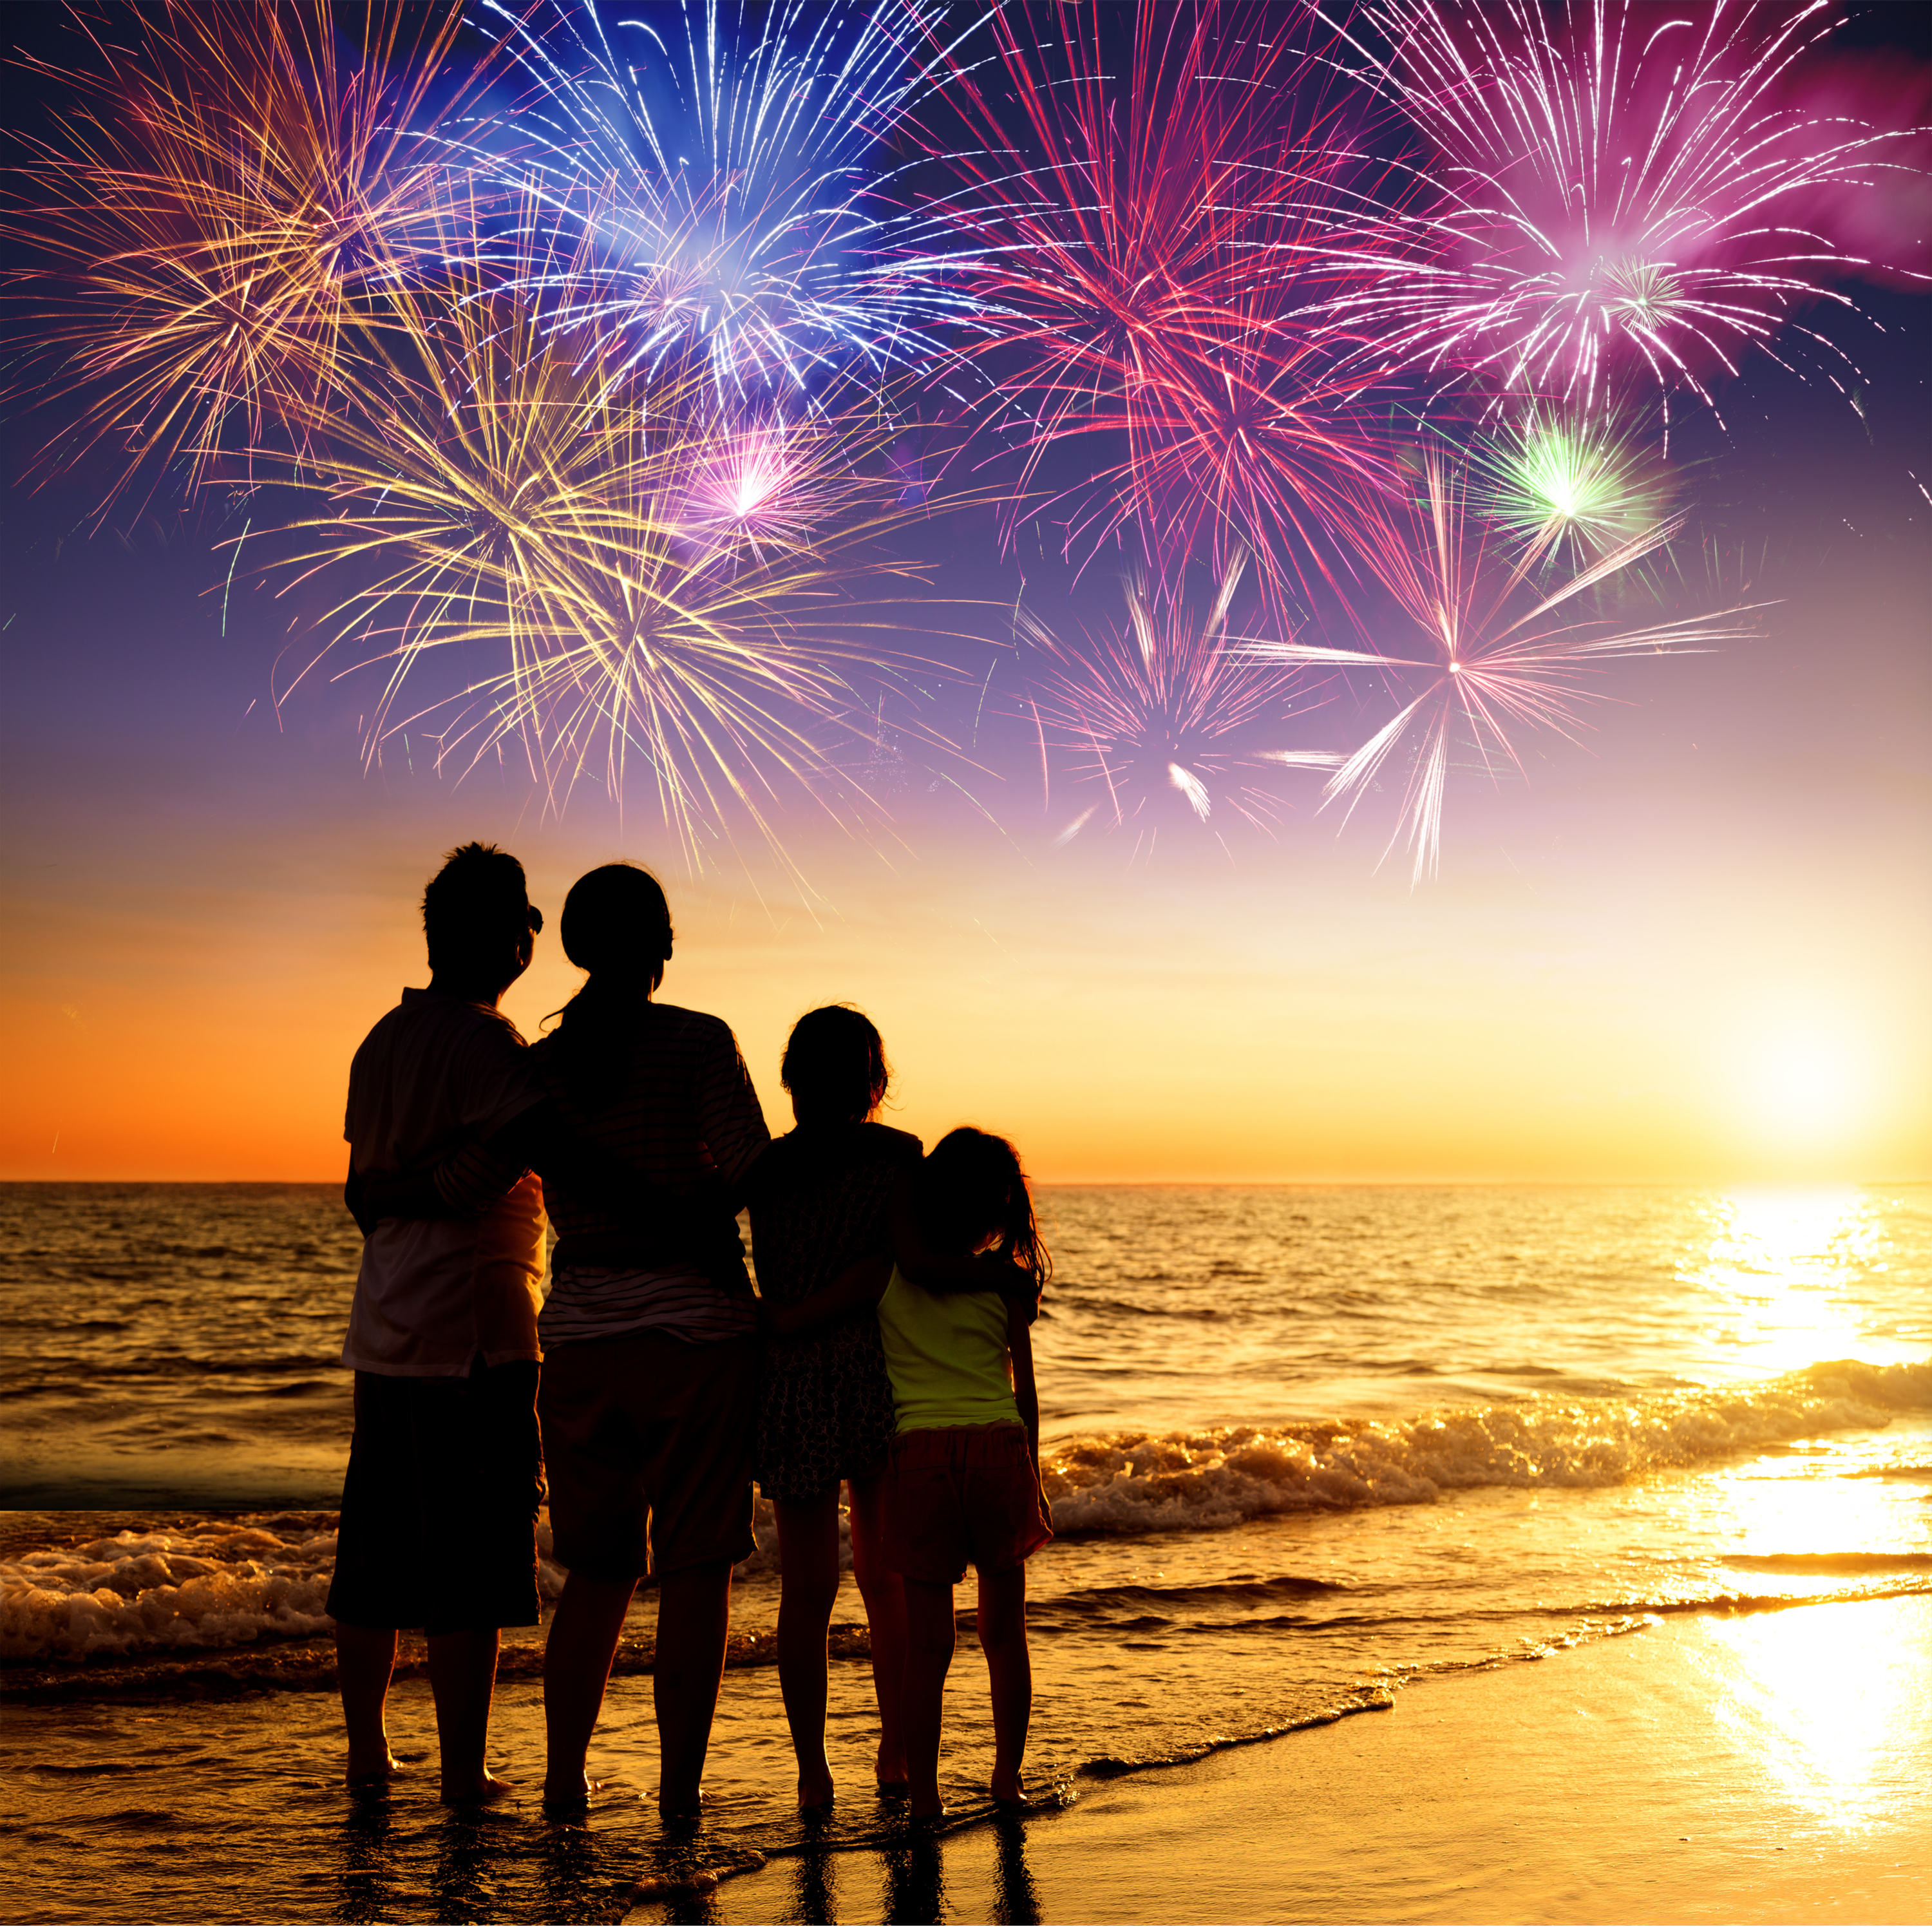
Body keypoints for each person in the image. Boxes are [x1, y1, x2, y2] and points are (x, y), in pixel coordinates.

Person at [527, 862, 770, 1819]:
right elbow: (751, 1170)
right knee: (695, 1571)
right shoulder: (696, 1043)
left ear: (577, 948)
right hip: (696, 1334)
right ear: (664, 943)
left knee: (597, 1570)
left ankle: (563, 1777)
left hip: (581, 1334)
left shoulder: (540, 1066)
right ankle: (677, 1793)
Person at [327, 841, 551, 1805]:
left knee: (374, 1558)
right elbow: (514, 1152)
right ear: (506, 937)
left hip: (383, 1330)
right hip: (472, 1334)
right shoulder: (486, 1045)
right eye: (528, 921)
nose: (534, 936)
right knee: (469, 1563)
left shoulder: (381, 1040)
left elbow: (360, 1193)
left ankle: (370, 1753)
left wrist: (399, 1189)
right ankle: (465, 1773)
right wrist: (428, 1186)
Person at [789, 1127, 1052, 1818]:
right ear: (996, 1214)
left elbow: (807, 1315)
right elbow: (1025, 1397)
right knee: (1005, 1635)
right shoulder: (1004, 1288)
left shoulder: (885, 1272)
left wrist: (760, 1316)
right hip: (1000, 1451)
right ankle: (1006, 1777)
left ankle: (926, 1796)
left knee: (927, 1646)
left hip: (921, 1459)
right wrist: (1036, 1474)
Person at [746, 1006, 922, 1808]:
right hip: (868, 1369)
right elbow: (891, 1265)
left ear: (790, 1078)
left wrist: (780, 1317)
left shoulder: (764, 1167)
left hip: (788, 1378)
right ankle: (896, 1750)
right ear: (875, 1082)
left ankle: (813, 1771)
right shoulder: (898, 1156)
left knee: (806, 1591)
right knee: (885, 1578)